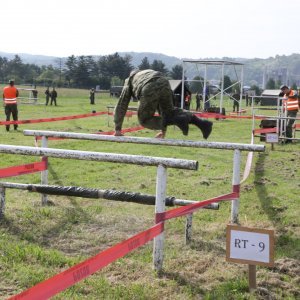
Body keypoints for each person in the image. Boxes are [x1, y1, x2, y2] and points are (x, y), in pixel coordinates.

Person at [114, 69, 213, 139]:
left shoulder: (130, 80)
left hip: (149, 86)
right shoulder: (146, 73)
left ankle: (178, 120)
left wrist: (118, 129)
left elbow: (121, 104)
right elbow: (162, 111)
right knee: (170, 112)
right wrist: (163, 131)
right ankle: (203, 124)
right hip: (165, 82)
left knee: (144, 120)